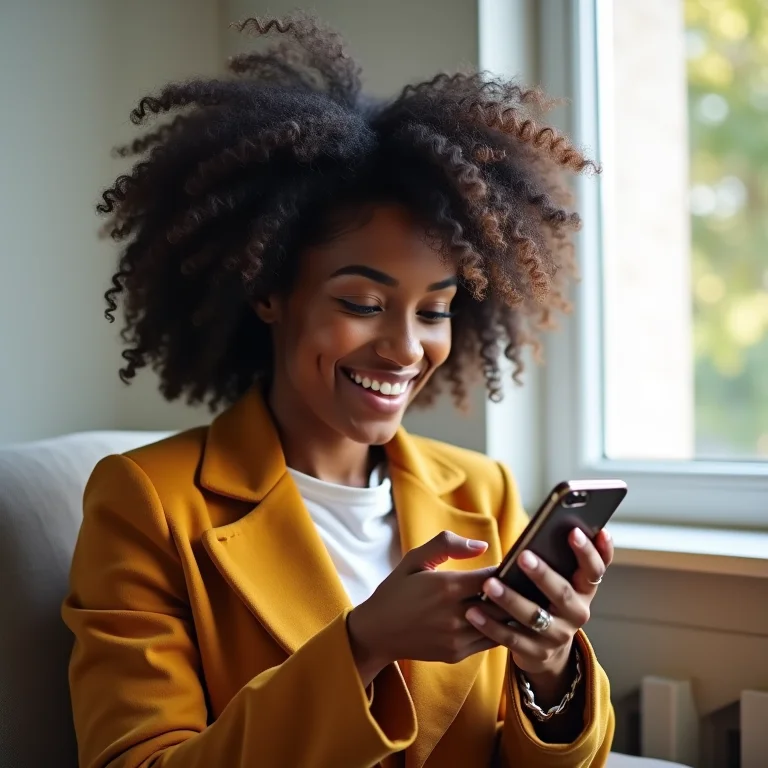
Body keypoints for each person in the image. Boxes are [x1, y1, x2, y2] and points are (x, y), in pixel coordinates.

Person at [62, 14, 615, 768]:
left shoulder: (483, 491)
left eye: (435, 310)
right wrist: (362, 645)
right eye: (362, 302)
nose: (406, 347)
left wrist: (548, 671)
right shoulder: (147, 504)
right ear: (268, 292)